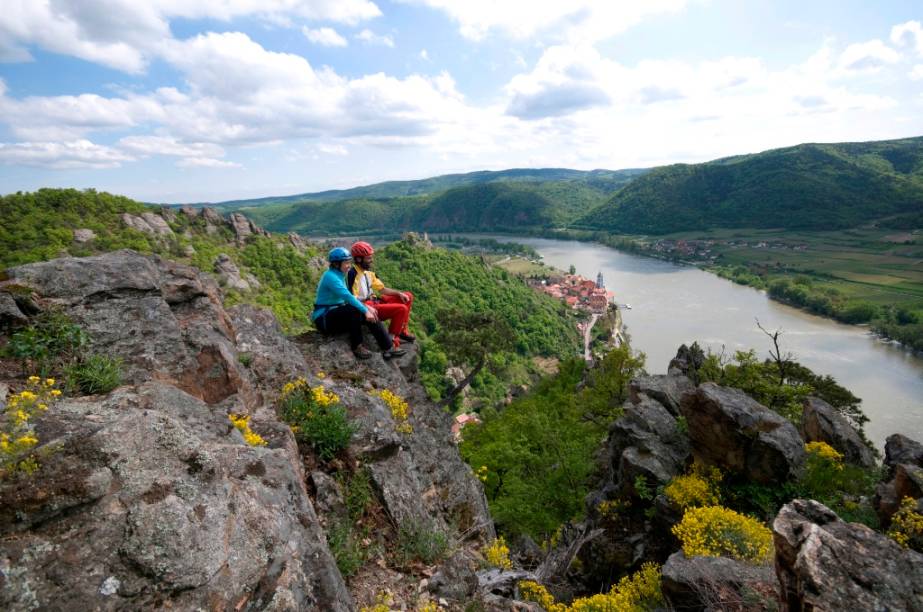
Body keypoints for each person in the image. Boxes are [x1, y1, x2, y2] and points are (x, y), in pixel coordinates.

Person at [312, 247, 406, 360]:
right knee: (357, 309)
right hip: (324, 319)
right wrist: (365, 310)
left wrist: (367, 308)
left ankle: (388, 347)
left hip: (336, 315)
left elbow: (349, 299)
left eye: (349, 262)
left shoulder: (339, 275)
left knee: (369, 310)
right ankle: (357, 346)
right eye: (346, 263)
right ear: (336, 264)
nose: (349, 265)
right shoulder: (331, 277)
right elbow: (347, 296)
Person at [348, 241, 415, 347]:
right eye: (368, 258)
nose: (371, 260)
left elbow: (382, 289)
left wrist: (399, 293)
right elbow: (353, 298)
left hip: (375, 301)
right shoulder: (353, 274)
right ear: (359, 259)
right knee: (401, 309)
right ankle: (391, 338)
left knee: (408, 296)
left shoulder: (368, 272)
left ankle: (402, 331)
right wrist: (366, 308)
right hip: (368, 307)